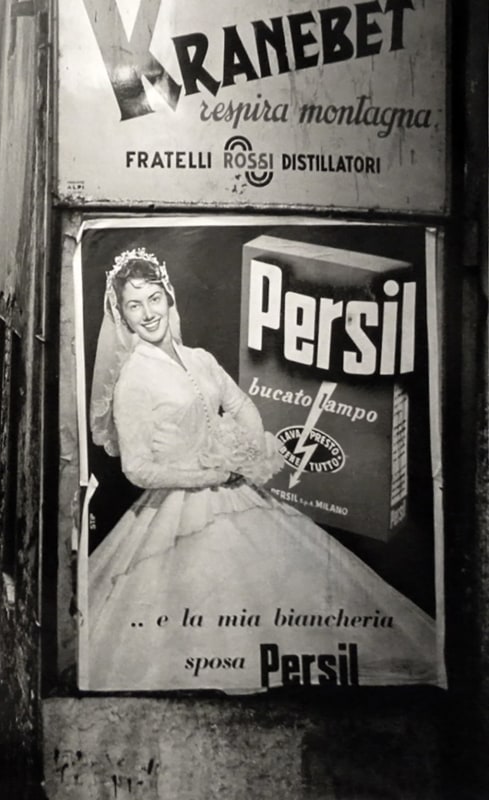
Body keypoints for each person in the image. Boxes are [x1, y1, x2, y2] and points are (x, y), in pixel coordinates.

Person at [85, 246, 439, 691]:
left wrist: (247, 448)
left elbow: (240, 404)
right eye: (134, 306)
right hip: (177, 509)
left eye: (154, 298)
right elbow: (137, 469)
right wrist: (209, 474)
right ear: (122, 314)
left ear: (169, 296)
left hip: (237, 489)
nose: (148, 313)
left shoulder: (199, 359)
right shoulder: (133, 378)